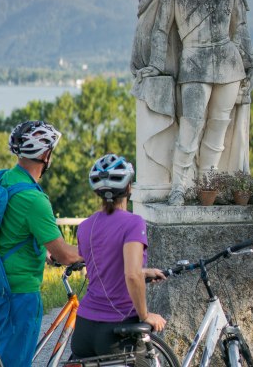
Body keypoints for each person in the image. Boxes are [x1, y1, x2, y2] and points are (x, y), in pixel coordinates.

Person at [130, 0, 253, 205]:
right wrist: (154, 64)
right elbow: (161, 30)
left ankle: (208, 187)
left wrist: (249, 63)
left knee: (218, 129)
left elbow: (240, 27)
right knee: (191, 127)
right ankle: (179, 187)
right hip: (194, 63)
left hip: (229, 65)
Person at [0, 120, 83, 366]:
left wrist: (44, 255)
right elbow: (66, 254)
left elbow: (10, 233)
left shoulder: (4, 179)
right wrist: (95, 252)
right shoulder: (33, 199)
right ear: (45, 155)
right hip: (18, 295)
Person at [70, 153, 166, 365]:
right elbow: (131, 275)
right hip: (117, 331)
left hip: (84, 329)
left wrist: (145, 272)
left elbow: (105, 261)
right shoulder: (133, 223)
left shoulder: (85, 226)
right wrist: (145, 315)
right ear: (129, 187)